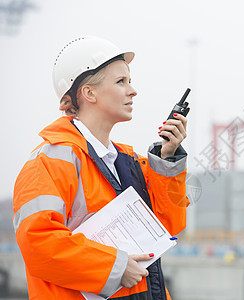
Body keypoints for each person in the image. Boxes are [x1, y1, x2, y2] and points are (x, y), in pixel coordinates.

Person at [13, 36, 190, 299]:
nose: (133, 90)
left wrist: (167, 160)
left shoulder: (128, 160)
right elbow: (37, 243)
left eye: (129, 81)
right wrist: (113, 267)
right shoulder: (50, 161)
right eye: (121, 82)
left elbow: (167, 228)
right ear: (89, 93)